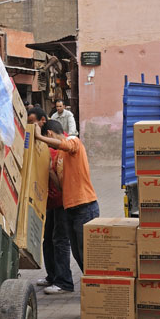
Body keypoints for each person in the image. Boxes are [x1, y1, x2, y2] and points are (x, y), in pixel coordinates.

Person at [34, 119, 98, 273]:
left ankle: (96, 289)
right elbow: (61, 186)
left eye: (48, 141)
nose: (50, 147)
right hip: (69, 208)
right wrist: (50, 171)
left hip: (85, 206)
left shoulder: (73, 141)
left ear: (49, 134)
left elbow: (66, 144)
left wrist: (39, 137)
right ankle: (92, 287)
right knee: (77, 254)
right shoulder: (59, 156)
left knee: (86, 255)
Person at [35, 119, 74, 295]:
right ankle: (52, 276)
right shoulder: (53, 146)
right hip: (50, 202)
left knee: (60, 241)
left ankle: (64, 281)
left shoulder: (64, 146)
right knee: (48, 240)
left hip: (62, 202)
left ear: (48, 134)